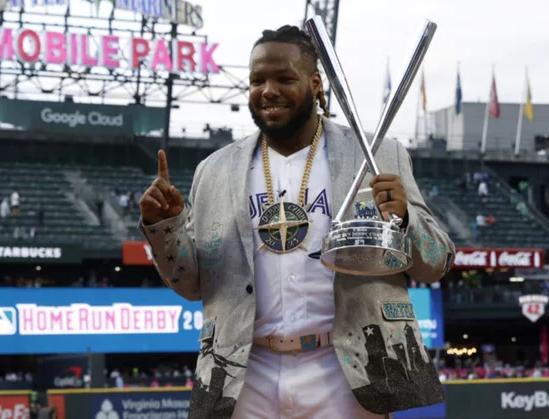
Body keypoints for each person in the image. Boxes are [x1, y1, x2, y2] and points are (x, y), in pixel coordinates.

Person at [138, 25, 455, 418]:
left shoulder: (377, 154)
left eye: (284, 78)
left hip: (346, 374)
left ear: (317, 84)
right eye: (257, 80)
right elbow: (190, 285)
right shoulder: (214, 171)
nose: (268, 90)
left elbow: (435, 263)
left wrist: (406, 218)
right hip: (245, 376)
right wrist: (165, 227)